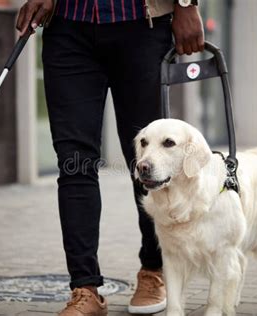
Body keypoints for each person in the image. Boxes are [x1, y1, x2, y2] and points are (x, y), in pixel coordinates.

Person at [15, 0, 204, 315]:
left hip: (141, 26)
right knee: (74, 163)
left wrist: (185, 4)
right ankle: (84, 289)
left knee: (150, 160)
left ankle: (154, 270)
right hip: (67, 26)